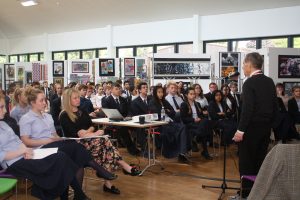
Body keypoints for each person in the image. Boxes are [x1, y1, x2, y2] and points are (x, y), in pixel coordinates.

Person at [18, 88, 118, 190]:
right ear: (32, 103)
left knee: (77, 158)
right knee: (76, 149)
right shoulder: (26, 118)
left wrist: (61, 139)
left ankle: (79, 194)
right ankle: (98, 170)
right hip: (39, 149)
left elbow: (54, 135)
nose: (45, 103)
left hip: (52, 145)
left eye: (45, 100)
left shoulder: (47, 117)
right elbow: (26, 141)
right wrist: (51, 140)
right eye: (41, 100)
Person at [0, 94, 90, 200]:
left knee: (61, 157)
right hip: (13, 164)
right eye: (1, 107)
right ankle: (79, 194)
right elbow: (1, 155)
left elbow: (18, 141)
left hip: (24, 155)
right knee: (60, 159)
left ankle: (75, 195)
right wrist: (23, 151)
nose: (5, 110)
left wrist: (25, 150)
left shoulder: (3, 125)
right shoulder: (23, 119)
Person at [59, 88, 141, 195]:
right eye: (75, 98)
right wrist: (94, 134)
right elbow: (77, 134)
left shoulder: (82, 111)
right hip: (75, 145)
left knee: (104, 146)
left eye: (78, 97)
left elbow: (91, 126)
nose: (78, 100)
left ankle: (111, 178)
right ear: (67, 100)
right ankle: (121, 169)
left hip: (89, 141)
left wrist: (89, 132)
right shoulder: (64, 115)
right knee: (103, 144)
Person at [232, 52, 278, 198]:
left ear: (249, 64)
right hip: (265, 128)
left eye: (244, 65)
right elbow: (274, 106)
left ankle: (246, 194)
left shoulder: (249, 83)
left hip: (250, 129)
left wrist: (240, 131)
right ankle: (258, 192)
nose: (243, 68)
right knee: (259, 161)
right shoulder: (270, 81)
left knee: (246, 162)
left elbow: (248, 109)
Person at [148, 86, 188, 163]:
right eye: (159, 92)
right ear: (155, 93)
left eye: (162, 92)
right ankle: (179, 152)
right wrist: (167, 111)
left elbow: (172, 111)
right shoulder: (152, 102)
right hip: (160, 125)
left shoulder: (164, 101)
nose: (161, 94)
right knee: (178, 129)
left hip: (169, 122)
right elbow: (157, 114)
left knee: (183, 127)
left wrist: (167, 111)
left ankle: (182, 152)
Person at [102, 83, 140, 155]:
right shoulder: (107, 100)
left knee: (138, 127)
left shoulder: (123, 99)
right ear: (111, 90)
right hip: (113, 122)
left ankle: (141, 146)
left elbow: (129, 110)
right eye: (116, 89)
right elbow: (107, 113)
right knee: (123, 129)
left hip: (125, 121)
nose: (119, 90)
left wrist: (128, 116)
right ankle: (132, 149)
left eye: (119, 89)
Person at [180, 87, 213, 160]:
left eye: (194, 94)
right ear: (186, 95)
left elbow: (200, 115)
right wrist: (194, 119)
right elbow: (183, 118)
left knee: (207, 122)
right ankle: (205, 151)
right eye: (191, 94)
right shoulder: (184, 104)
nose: (193, 95)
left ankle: (197, 138)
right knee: (204, 130)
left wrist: (200, 118)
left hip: (199, 124)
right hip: (190, 124)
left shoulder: (197, 103)